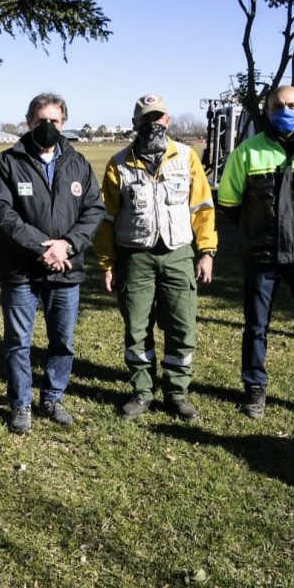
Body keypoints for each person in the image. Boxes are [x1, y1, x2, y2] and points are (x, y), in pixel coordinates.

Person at [218, 85, 294, 425]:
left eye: (291, 105)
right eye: (277, 106)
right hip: (262, 257)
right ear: (268, 111)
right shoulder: (247, 152)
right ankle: (255, 388)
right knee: (256, 327)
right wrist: (257, 231)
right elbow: (229, 202)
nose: (284, 111)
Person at [93, 94, 218, 422]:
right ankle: (142, 392)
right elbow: (105, 219)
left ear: (168, 120)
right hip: (135, 258)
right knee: (137, 328)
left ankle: (177, 393)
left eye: (158, 117)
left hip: (178, 255)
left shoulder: (187, 157)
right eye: (146, 119)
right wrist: (107, 264)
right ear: (135, 124)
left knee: (182, 325)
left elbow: (202, 209)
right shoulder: (118, 163)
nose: (153, 124)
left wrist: (206, 253)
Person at [0, 93, 105, 434]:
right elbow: (0, 212)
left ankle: (52, 397)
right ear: (29, 122)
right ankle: (21, 403)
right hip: (21, 268)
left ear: (63, 123)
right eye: (41, 121)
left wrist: (67, 246)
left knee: (62, 340)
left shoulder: (79, 162)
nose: (48, 127)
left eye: (54, 121)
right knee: (18, 341)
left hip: (66, 269)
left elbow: (93, 210)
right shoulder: (7, 161)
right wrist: (42, 248)